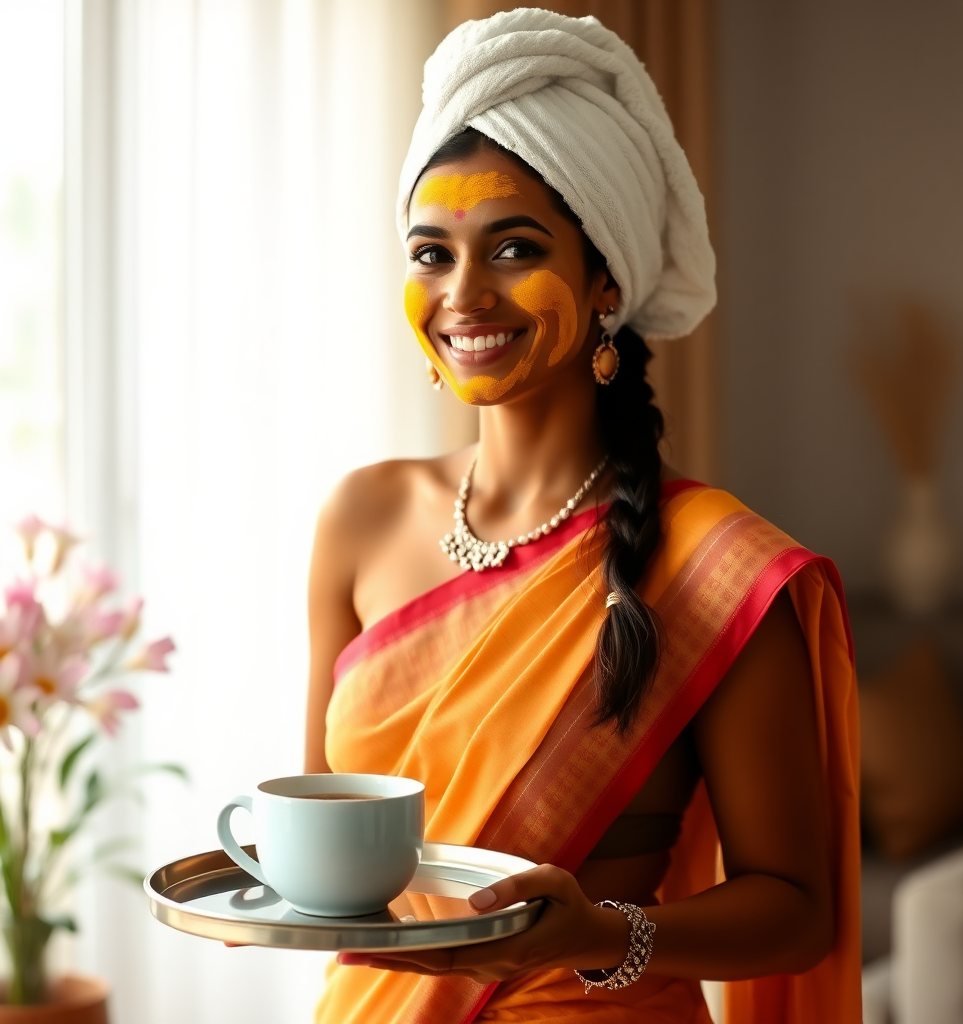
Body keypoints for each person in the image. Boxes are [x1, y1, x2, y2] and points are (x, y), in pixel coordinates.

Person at [304, 10, 860, 1023]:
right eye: (432, 253)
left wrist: (601, 933)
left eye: (513, 248)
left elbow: (797, 910)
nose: (462, 294)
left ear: (606, 279)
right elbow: (317, 835)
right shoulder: (361, 515)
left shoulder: (717, 566)